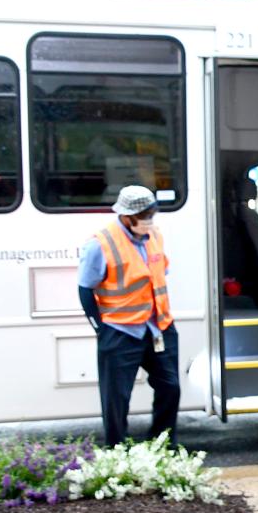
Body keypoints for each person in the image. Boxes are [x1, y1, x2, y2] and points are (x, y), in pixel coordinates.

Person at [77, 185, 180, 448]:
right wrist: (100, 328)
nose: (148, 221)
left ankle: (161, 445)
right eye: (143, 216)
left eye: (151, 215)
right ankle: (117, 451)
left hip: (158, 327)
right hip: (121, 331)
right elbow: (85, 289)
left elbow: (158, 274)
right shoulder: (100, 244)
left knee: (170, 387)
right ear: (126, 216)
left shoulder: (155, 235)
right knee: (116, 398)